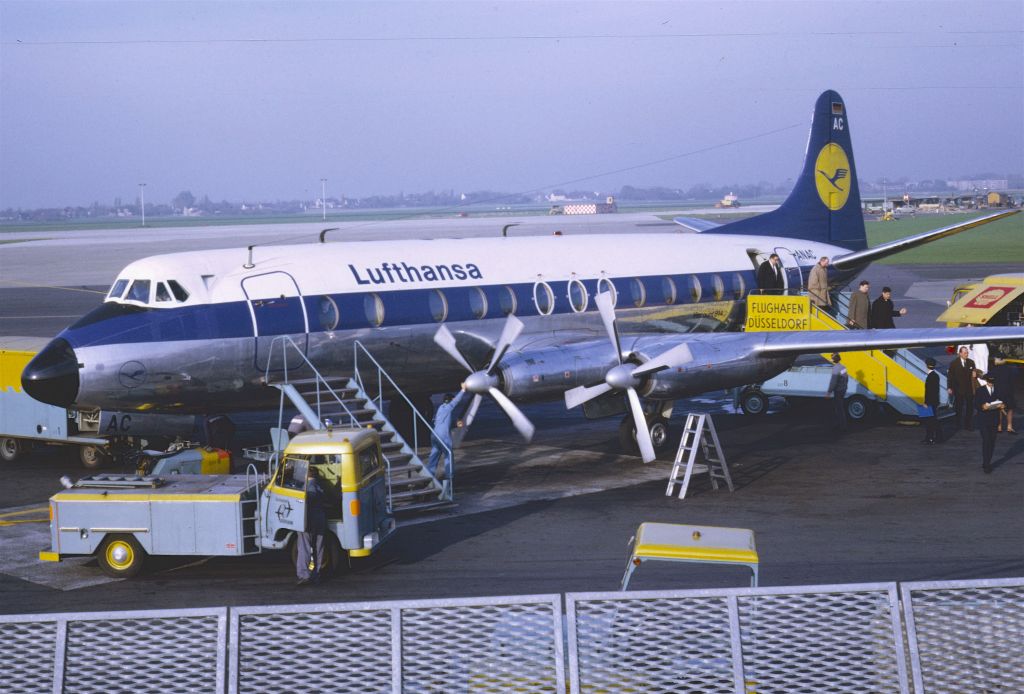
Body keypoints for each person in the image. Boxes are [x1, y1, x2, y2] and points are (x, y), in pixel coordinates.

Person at [296, 467, 334, 585]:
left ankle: (304, 574)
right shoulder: (319, 486)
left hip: (308, 520)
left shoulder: (309, 487)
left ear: (307, 475)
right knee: (319, 547)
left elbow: (308, 498)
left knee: (304, 546)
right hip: (320, 518)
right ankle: (316, 574)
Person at [426, 384, 466, 480]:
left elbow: (443, 422)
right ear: (450, 400)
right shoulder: (448, 407)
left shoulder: (440, 409)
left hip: (434, 435)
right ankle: (449, 478)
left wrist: (455, 424)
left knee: (434, 455)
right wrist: (463, 390)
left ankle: (428, 475)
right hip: (443, 436)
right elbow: (456, 401)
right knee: (448, 455)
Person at [974, 372, 1004, 474]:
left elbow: (1004, 401)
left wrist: (1003, 405)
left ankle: (987, 461)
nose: (991, 384)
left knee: (992, 442)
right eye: (990, 382)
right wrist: (982, 406)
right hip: (983, 419)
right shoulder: (980, 390)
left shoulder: (998, 390)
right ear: (987, 381)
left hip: (994, 420)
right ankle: (987, 464)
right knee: (986, 441)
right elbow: (976, 404)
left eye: (993, 382)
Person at [947, 346, 976, 430]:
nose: (967, 354)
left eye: (967, 352)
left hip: (969, 389)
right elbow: (950, 376)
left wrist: (975, 374)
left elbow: (974, 374)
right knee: (959, 407)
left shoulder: (971, 362)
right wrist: (949, 387)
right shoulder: (954, 363)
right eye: (965, 353)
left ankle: (968, 424)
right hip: (958, 389)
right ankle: (958, 424)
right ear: (960, 353)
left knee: (970, 408)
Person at [991, 357, 1017, 434]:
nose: (994, 361)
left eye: (995, 360)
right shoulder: (1011, 369)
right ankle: (1009, 426)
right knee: (1010, 409)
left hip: (998, 392)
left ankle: (999, 427)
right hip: (1009, 391)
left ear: (999, 360)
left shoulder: (994, 369)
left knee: (998, 409)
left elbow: (988, 376)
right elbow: (1016, 375)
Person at [826, 353, 849, 432]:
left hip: (838, 391)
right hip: (843, 389)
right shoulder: (843, 367)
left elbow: (833, 381)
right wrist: (844, 387)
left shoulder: (835, 368)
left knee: (838, 408)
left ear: (833, 360)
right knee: (840, 407)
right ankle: (841, 424)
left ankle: (841, 426)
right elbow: (846, 378)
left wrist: (829, 391)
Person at [921, 357, 941, 444]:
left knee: (930, 421)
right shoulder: (935, 376)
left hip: (930, 402)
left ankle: (931, 438)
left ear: (927, 365)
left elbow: (929, 391)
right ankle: (931, 437)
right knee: (932, 420)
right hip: (934, 402)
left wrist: (926, 402)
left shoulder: (930, 377)